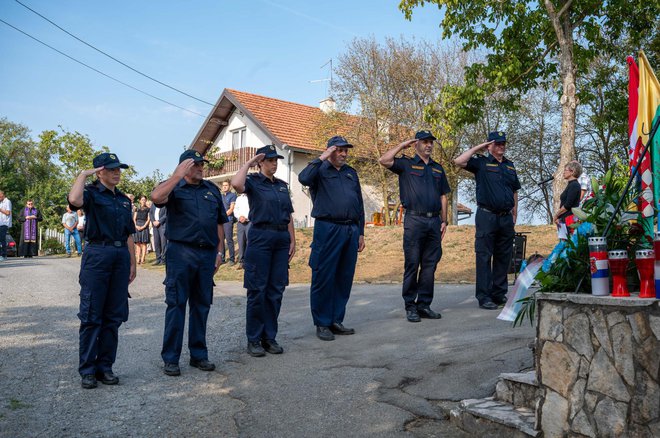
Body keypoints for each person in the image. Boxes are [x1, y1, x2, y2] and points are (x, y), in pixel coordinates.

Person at [152, 150, 227, 377]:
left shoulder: (211, 189)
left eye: (201, 164)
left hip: (206, 255)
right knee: (176, 304)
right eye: (194, 165)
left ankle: (198, 355)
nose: (200, 168)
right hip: (180, 253)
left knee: (201, 305)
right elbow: (156, 197)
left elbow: (219, 222)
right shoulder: (173, 187)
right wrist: (176, 176)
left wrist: (220, 251)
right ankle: (171, 358)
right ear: (184, 166)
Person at [67, 152, 137, 389]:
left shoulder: (124, 200)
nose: (117, 172)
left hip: (119, 256)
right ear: (100, 172)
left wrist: (132, 262)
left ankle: (105, 367)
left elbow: (128, 233)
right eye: (112, 169)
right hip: (97, 254)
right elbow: (74, 200)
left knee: (113, 316)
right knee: (91, 315)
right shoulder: (91, 194)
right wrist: (83, 175)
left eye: (119, 169)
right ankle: (87, 370)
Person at [379, 130, 451, 322]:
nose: (429, 145)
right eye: (425, 142)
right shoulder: (406, 164)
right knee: (412, 264)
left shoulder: (437, 168)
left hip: (434, 221)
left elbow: (443, 195)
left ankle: (424, 305)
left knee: (429, 265)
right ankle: (410, 306)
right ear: (416, 144)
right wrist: (403, 145)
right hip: (414, 220)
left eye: (431, 142)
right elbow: (384, 160)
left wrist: (444, 221)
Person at [299, 136, 365, 341]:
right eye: (339, 150)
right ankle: (322, 323)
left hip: (350, 230)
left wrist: (361, 232)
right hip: (328, 229)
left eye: (346, 151)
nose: (344, 154)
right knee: (323, 276)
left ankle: (336, 319)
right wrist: (322, 157)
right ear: (330, 151)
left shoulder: (350, 173)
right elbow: (303, 178)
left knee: (343, 277)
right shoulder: (318, 170)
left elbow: (359, 204)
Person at [231, 145, 295, 357]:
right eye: (269, 160)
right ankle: (254, 339)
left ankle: (270, 337)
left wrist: (292, 240)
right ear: (260, 162)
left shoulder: (283, 186)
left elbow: (289, 214)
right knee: (257, 290)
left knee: (276, 290)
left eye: (276, 159)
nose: (274, 163)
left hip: (280, 239)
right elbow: (236, 184)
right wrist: (248, 163)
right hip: (260, 237)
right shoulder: (252, 182)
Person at [454, 131, 521, 310]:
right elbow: (459, 161)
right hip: (486, 216)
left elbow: (515, 190)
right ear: (489, 146)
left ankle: (499, 294)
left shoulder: (510, 166)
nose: (501, 146)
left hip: (506, 217)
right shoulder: (481, 163)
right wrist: (480, 147)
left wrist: (515, 212)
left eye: (503, 143)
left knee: (503, 256)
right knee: (484, 257)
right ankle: (484, 297)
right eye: (497, 144)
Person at [553, 161, 582, 240]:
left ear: (572, 171)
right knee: (563, 243)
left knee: (568, 244)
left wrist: (556, 215)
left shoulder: (574, 185)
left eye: (565, 170)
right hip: (564, 219)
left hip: (569, 220)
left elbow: (568, 205)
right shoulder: (570, 184)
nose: (563, 172)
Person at [220, 180, 237, 265]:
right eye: (223, 185)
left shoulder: (233, 195)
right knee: (221, 240)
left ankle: (232, 259)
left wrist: (222, 215)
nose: (224, 187)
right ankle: (222, 258)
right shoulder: (220, 196)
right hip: (220, 221)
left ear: (229, 186)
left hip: (228, 220)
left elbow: (231, 209)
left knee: (229, 239)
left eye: (226, 185)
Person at [233, 192, 250, 269]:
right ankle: (241, 261)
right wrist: (239, 217)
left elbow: (254, 209)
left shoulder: (252, 196)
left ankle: (249, 261)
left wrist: (246, 217)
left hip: (250, 222)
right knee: (241, 242)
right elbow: (235, 210)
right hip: (240, 222)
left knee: (249, 242)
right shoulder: (239, 198)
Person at [133, 196, 151, 265]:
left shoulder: (148, 209)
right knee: (137, 243)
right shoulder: (137, 208)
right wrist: (136, 225)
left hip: (144, 225)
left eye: (144, 200)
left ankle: (143, 259)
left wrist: (144, 226)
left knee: (144, 243)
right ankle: (138, 259)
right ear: (140, 201)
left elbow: (148, 219)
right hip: (137, 225)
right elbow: (134, 218)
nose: (143, 201)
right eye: (142, 200)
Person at [149, 201, 167, 265]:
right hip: (155, 226)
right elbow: (150, 213)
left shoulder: (165, 204)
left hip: (162, 225)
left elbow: (166, 214)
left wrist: (159, 221)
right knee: (156, 242)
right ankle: (158, 259)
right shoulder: (153, 204)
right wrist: (153, 221)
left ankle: (163, 259)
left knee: (163, 243)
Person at [0, 190, 12, 261]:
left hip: (4, 223)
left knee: (2, 239)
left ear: (1, 195)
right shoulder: (1, 202)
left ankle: (4, 255)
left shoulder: (7, 201)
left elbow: (8, 213)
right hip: (0, 223)